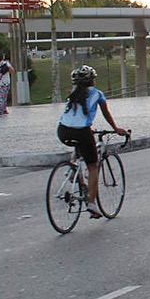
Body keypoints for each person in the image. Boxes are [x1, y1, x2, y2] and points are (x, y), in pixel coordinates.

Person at [56, 66, 128, 219]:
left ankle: (72, 168)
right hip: (82, 130)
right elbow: (105, 113)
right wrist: (116, 129)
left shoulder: (73, 94)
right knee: (93, 166)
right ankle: (91, 203)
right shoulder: (97, 94)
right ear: (92, 81)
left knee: (77, 146)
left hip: (62, 130)